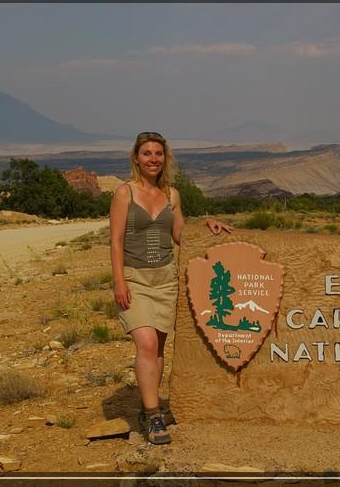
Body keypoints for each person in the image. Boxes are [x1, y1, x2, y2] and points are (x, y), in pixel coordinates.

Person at [109, 131, 232, 445]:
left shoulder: (172, 195)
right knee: (147, 344)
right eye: (147, 153)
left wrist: (206, 224)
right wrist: (119, 281)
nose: (153, 159)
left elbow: (180, 235)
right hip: (135, 278)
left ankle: (151, 406)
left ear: (165, 158)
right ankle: (152, 416)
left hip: (165, 279)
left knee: (158, 349)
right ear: (136, 158)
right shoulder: (125, 193)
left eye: (158, 154)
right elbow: (116, 240)